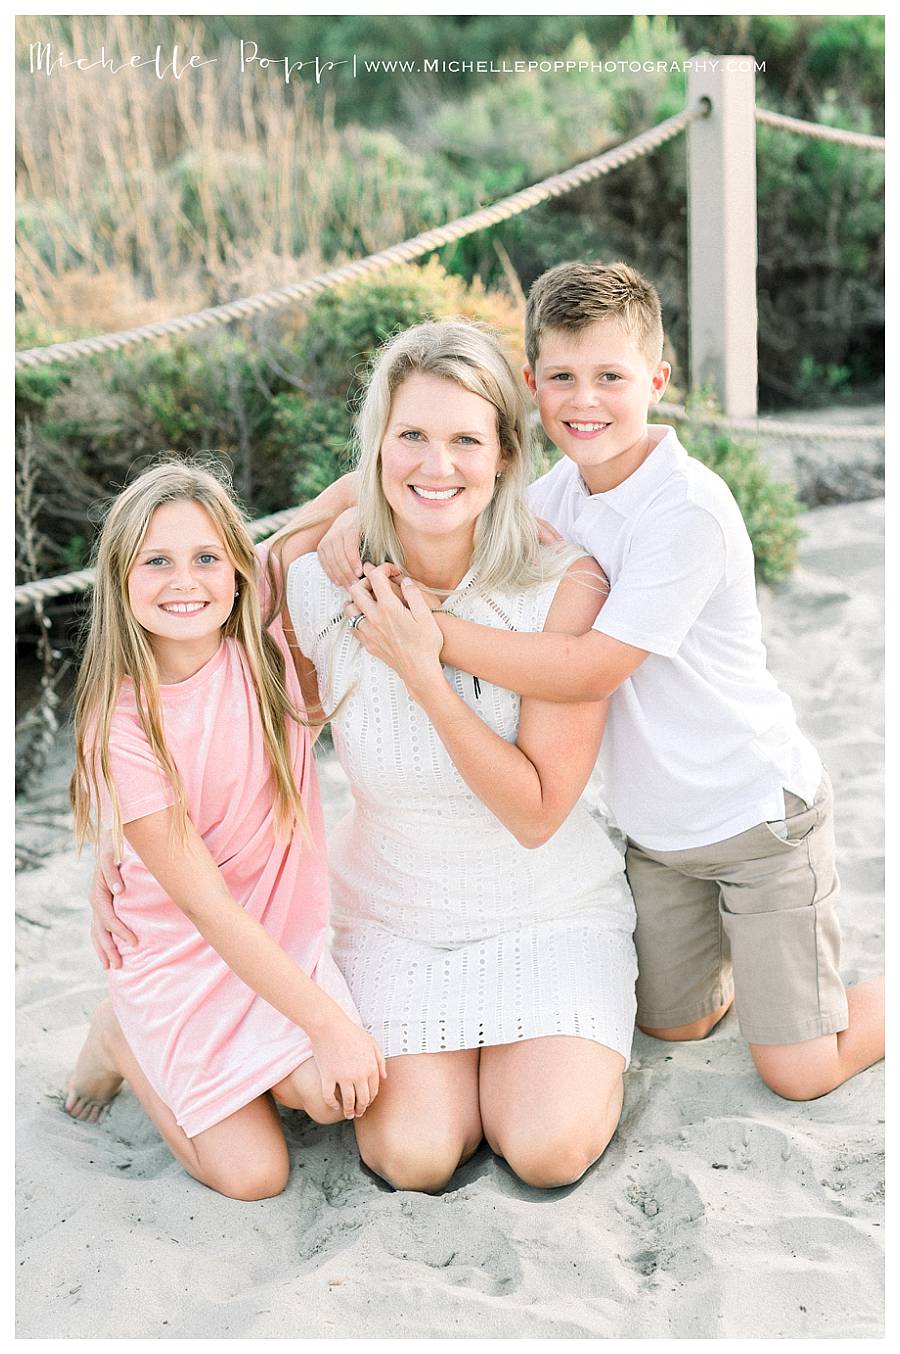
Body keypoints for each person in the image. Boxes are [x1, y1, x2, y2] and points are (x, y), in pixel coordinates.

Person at [325, 261, 884, 1104]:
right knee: (674, 1024)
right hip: (655, 835)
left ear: (656, 381)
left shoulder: (684, 511)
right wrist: (329, 519)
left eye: (611, 378)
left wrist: (428, 640)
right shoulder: (562, 492)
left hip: (755, 819)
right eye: (562, 378)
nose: (585, 400)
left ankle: (807, 973)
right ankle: (767, 964)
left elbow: (590, 669)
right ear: (532, 386)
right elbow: (421, 469)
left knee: (799, 1070)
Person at [283, 319, 638, 1193]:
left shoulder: (566, 585)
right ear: (375, 448)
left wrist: (424, 666)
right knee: (414, 1156)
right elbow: (239, 726)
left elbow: (536, 812)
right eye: (411, 435)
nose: (434, 466)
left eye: (464, 440)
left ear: (507, 456)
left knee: (547, 1149)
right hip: (396, 918)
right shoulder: (316, 585)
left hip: (546, 910)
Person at [65, 462, 385, 1201]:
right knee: (254, 1177)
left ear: (240, 569)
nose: (187, 581)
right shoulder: (119, 725)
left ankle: (258, 1066)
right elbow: (207, 908)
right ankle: (121, 1035)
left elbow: (358, 485)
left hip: (281, 937)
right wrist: (332, 1027)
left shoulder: (260, 624)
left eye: (207, 557)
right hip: (186, 953)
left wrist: (341, 525)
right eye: (157, 561)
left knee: (333, 1096)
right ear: (120, 577)